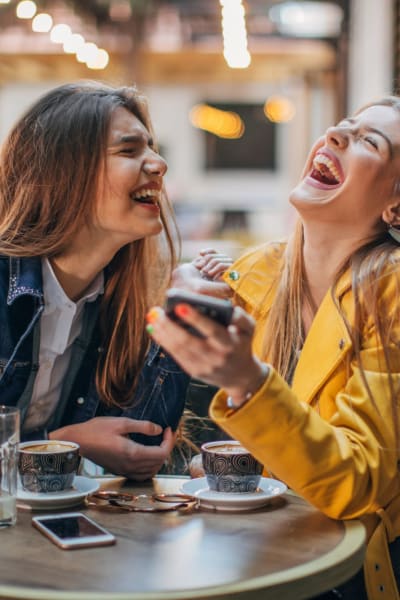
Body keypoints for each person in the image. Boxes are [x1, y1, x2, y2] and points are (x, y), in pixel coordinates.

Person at [146, 97, 400, 599]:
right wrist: (168, 306)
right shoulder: (252, 273)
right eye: (341, 127)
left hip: (340, 571)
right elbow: (183, 443)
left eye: (370, 141)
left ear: (395, 204)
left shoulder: (389, 295)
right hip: (238, 551)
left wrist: (247, 382)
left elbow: (358, 483)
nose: (334, 137)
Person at [0, 80, 191, 480]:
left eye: (152, 147)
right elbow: (84, 443)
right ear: (62, 172)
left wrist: (181, 321)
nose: (159, 163)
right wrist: (63, 443)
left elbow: (141, 448)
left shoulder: (120, 305)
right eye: (129, 150)